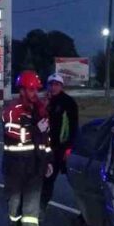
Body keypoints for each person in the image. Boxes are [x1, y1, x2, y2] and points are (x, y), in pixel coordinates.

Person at [2, 71, 52, 226]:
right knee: (14, 205)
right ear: (21, 90)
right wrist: (35, 130)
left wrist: (48, 161)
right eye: (31, 89)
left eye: (35, 90)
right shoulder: (12, 110)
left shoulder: (39, 110)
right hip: (15, 166)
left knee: (31, 207)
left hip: (35, 166)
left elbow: (46, 139)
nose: (34, 93)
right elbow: (16, 135)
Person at [41, 73, 79, 211]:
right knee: (48, 178)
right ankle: (41, 207)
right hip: (48, 147)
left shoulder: (68, 102)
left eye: (56, 84)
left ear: (61, 86)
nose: (53, 87)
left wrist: (69, 147)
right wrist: (44, 106)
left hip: (63, 148)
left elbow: (74, 126)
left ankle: (83, 208)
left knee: (75, 181)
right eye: (51, 84)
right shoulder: (45, 102)